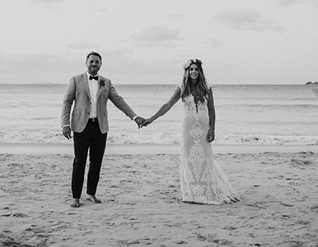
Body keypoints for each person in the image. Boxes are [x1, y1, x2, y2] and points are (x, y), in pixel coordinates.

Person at [143, 59, 239, 204]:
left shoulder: (207, 88)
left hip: (203, 128)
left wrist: (212, 129)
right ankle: (192, 192)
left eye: (196, 69)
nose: (193, 72)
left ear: (200, 72)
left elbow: (211, 110)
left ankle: (206, 189)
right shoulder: (181, 88)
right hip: (188, 129)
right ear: (187, 72)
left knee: (205, 158)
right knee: (189, 159)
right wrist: (151, 119)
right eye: (191, 69)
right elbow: (167, 105)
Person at [61, 51, 145, 208]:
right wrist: (65, 124)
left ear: (101, 64)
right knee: (79, 161)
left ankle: (91, 193)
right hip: (81, 125)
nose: (94, 64)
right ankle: (76, 197)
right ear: (86, 63)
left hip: (100, 127)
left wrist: (134, 117)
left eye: (97, 62)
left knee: (96, 161)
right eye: (91, 61)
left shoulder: (106, 82)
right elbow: (67, 102)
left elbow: (118, 101)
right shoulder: (75, 80)